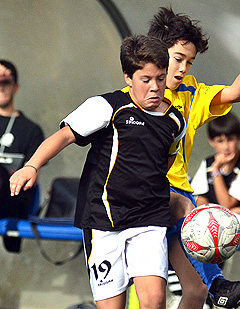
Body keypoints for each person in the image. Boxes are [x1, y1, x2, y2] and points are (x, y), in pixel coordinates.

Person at [10, 34, 186, 309]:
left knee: (154, 300)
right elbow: (64, 137)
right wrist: (31, 165)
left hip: (148, 218)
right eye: (146, 79)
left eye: (161, 78)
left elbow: (162, 164)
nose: (155, 87)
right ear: (128, 77)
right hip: (104, 220)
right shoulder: (107, 107)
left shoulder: (175, 121)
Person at [126, 7, 240, 309]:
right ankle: (219, 282)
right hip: (144, 199)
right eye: (178, 58)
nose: (183, 68)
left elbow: (233, 93)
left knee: (195, 291)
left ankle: (215, 285)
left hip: (178, 196)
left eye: (189, 62)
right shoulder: (133, 96)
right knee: (147, 292)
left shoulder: (192, 94)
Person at [191, 112, 240, 236]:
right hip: (218, 218)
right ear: (211, 142)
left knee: (220, 232)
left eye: (230, 140)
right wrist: (225, 211)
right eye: (220, 141)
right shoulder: (207, 163)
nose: (226, 147)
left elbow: (226, 203)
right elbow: (200, 202)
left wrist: (216, 171)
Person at [0, 60, 44, 253]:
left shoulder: (31, 130)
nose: (0, 88)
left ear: (15, 87)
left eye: (5, 83)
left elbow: (31, 180)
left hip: (12, 199)